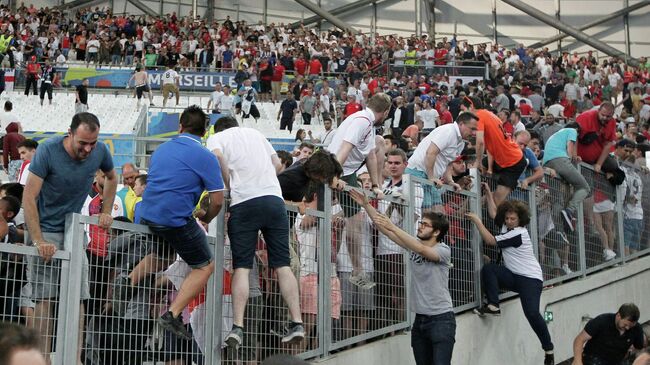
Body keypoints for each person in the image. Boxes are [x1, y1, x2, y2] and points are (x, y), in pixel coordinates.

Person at [23, 112, 117, 363]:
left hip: (74, 230)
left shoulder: (100, 152)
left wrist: (106, 211)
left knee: (78, 298)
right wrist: (38, 240)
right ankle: (40, 360)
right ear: (70, 133)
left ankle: (74, 360)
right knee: (45, 300)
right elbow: (29, 197)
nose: (88, 149)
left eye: (92, 143)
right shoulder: (48, 150)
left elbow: (112, 176)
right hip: (45, 229)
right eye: (82, 143)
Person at [207, 115, 304, 347]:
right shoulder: (256, 134)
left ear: (218, 129)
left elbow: (217, 157)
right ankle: (296, 321)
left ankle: (238, 326)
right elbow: (278, 164)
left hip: (245, 202)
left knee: (242, 266)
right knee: (283, 264)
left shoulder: (217, 137)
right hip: (273, 200)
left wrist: (229, 181)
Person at [137, 105, 225, 340]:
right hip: (174, 219)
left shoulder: (161, 149)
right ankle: (173, 314)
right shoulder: (206, 155)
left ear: (180, 126)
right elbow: (217, 200)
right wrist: (206, 218)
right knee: (205, 266)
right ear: (204, 131)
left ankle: (127, 282)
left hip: (148, 214)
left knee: (164, 254)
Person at [349, 188, 456, 365]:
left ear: (437, 232)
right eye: (421, 222)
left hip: (441, 319)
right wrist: (367, 205)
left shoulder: (443, 250)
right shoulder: (414, 245)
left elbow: (422, 249)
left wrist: (392, 226)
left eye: (425, 224)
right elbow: (385, 231)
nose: (420, 226)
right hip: (420, 320)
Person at [466, 198, 555, 365]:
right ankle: (493, 305)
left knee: (532, 314)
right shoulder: (507, 227)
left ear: (520, 219)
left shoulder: (518, 233)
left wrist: (477, 221)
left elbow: (491, 241)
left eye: (512, 219)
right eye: (507, 218)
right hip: (514, 276)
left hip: (530, 280)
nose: (509, 221)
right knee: (490, 269)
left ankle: (548, 349)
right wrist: (489, 195)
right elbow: (494, 214)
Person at [326, 93, 391, 289]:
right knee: (339, 218)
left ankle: (357, 271)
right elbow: (345, 148)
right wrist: (333, 176)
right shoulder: (362, 121)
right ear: (386, 112)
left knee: (379, 142)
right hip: (338, 169)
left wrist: (376, 185)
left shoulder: (368, 124)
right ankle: (352, 269)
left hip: (348, 171)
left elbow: (371, 154)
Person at [462, 95, 526, 217]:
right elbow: (491, 145)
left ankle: (473, 209)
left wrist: (479, 162)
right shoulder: (489, 114)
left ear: (471, 107)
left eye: (464, 110)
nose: (464, 114)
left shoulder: (480, 116)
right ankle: (464, 209)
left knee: (496, 202)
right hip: (501, 159)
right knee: (472, 172)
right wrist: (488, 167)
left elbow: (480, 142)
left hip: (513, 162)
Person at [406, 111, 478, 211]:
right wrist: (431, 177)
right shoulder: (448, 131)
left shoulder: (460, 142)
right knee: (425, 215)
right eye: (472, 129)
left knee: (438, 213)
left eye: (476, 130)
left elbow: (448, 164)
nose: (474, 133)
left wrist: (450, 181)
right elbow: (430, 153)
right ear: (461, 124)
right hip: (418, 173)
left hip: (432, 178)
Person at [543, 122, 590, 231]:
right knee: (584, 187)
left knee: (557, 199)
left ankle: (558, 228)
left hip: (547, 164)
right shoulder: (572, 131)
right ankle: (569, 210)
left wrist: (574, 156)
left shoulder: (556, 135)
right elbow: (570, 146)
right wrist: (569, 160)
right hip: (560, 161)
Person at [572, 303, 645, 365]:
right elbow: (579, 340)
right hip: (592, 360)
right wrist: (578, 361)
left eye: (631, 326)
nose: (627, 328)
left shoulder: (636, 329)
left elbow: (639, 348)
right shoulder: (601, 321)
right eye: (625, 324)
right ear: (618, 316)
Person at [576, 102, 618, 175]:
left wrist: (599, 164)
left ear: (612, 115)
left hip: (595, 157)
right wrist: (574, 155)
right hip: (580, 157)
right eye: (603, 115)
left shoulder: (612, 122)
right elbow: (574, 136)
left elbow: (608, 144)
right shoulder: (586, 117)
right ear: (598, 111)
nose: (605, 118)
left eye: (608, 116)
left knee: (613, 166)